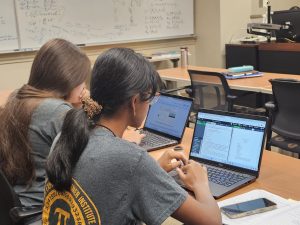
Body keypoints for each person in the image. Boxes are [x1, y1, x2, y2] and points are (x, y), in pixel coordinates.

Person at [44, 48, 221, 225]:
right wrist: (201, 184)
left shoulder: (66, 136)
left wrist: (153, 169)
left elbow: (112, 182)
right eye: (150, 100)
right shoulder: (131, 160)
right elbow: (211, 221)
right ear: (134, 102)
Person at [0, 38, 91, 208]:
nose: (84, 86)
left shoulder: (18, 97)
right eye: (82, 80)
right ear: (68, 80)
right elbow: (90, 161)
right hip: (45, 210)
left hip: (17, 205)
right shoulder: (57, 111)